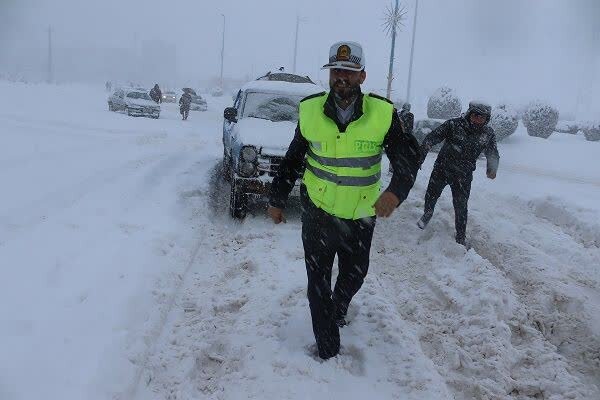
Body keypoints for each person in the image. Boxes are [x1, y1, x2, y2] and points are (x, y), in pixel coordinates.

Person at [268, 41, 421, 360]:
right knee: (317, 282)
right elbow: (294, 158)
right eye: (337, 71)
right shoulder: (310, 110)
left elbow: (406, 160)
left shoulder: (383, 113)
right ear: (329, 74)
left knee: (355, 274)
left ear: (362, 77)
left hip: (360, 214)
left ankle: (338, 308)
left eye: (349, 72)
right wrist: (278, 197)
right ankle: (327, 346)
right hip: (318, 213)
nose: (342, 77)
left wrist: (395, 193)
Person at [417, 101, 499, 245]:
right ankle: (427, 214)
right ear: (470, 114)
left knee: (461, 206)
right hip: (442, 168)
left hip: (464, 175)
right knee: (431, 195)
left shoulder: (487, 134)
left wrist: (492, 169)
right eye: (475, 115)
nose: (478, 119)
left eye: (482, 117)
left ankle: (460, 236)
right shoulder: (453, 125)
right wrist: (421, 155)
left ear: (487, 119)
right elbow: (432, 137)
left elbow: (492, 153)